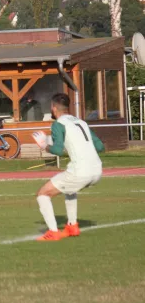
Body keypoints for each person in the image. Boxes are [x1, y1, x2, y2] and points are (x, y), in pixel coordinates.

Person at [31, 93, 105, 241]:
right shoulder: (81, 122)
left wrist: (44, 145)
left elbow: (57, 150)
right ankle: (72, 226)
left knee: (42, 194)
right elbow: (100, 146)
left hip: (80, 171)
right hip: (97, 170)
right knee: (70, 189)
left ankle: (53, 232)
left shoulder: (58, 124)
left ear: (53, 107)